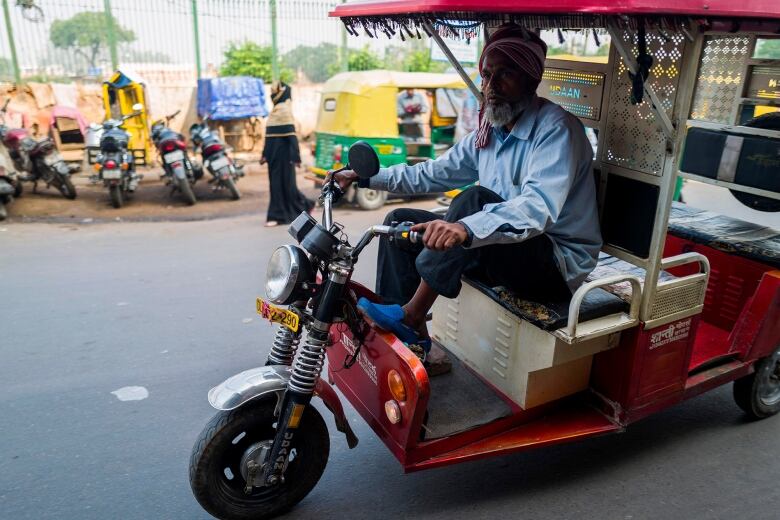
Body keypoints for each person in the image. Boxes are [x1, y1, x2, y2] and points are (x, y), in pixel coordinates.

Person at [332, 24, 602, 370]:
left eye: (505, 75)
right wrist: (367, 176)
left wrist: (464, 228)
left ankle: (413, 316)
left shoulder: (555, 130)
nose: (490, 87)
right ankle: (409, 342)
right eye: (487, 75)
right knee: (400, 223)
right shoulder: (490, 130)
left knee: (472, 203)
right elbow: (433, 173)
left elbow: (537, 210)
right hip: (502, 245)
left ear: (532, 80)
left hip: (554, 262)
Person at [261, 81, 314, 227]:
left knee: (286, 185)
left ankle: (277, 216)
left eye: (273, 92)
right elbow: (269, 136)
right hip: (274, 156)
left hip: (285, 157)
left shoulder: (284, 110)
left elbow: (292, 137)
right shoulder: (276, 110)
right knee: (276, 185)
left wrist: (296, 157)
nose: (271, 95)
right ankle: (305, 205)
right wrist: (264, 154)